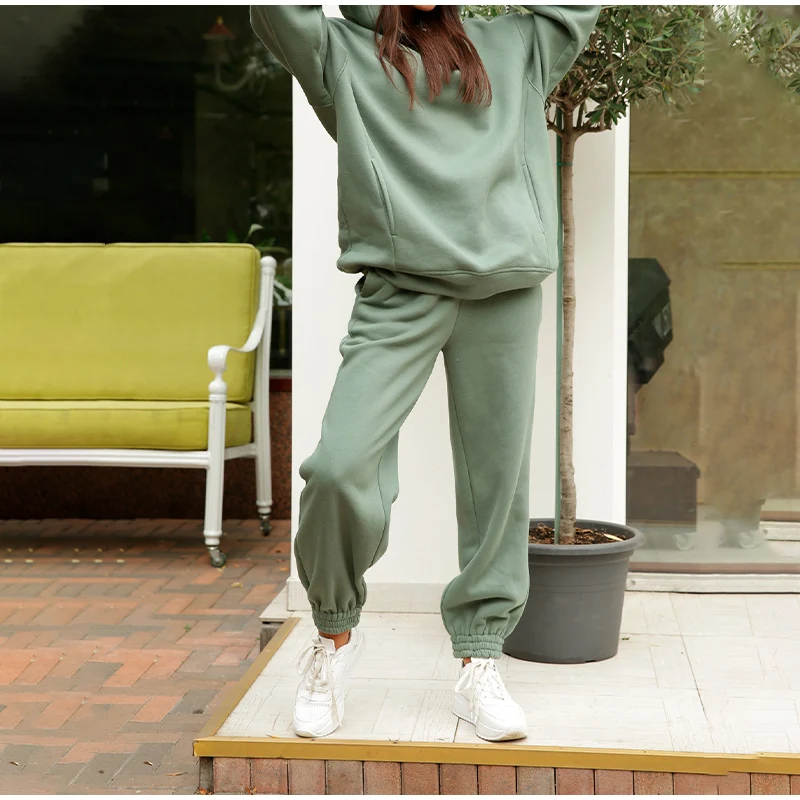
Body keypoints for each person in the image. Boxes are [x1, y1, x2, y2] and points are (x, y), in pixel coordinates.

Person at [250, 3, 600, 742]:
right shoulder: (340, 53)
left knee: (497, 486)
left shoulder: (518, 43)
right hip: (399, 292)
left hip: (503, 292)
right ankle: (335, 637)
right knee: (340, 467)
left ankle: (480, 659)